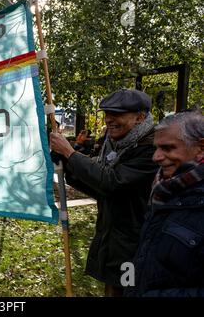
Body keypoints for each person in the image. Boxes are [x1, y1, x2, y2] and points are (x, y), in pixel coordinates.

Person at [50, 88, 159, 296]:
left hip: (136, 242)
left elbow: (113, 182)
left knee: (129, 290)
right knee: (113, 287)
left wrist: (70, 153)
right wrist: (68, 165)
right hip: (114, 238)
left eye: (117, 114)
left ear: (140, 117)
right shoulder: (114, 144)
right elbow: (101, 188)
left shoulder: (151, 148)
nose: (109, 119)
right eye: (107, 113)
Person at [125, 110, 204, 297]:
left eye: (167, 148)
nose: (156, 157)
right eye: (156, 148)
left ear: (200, 148)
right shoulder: (164, 191)